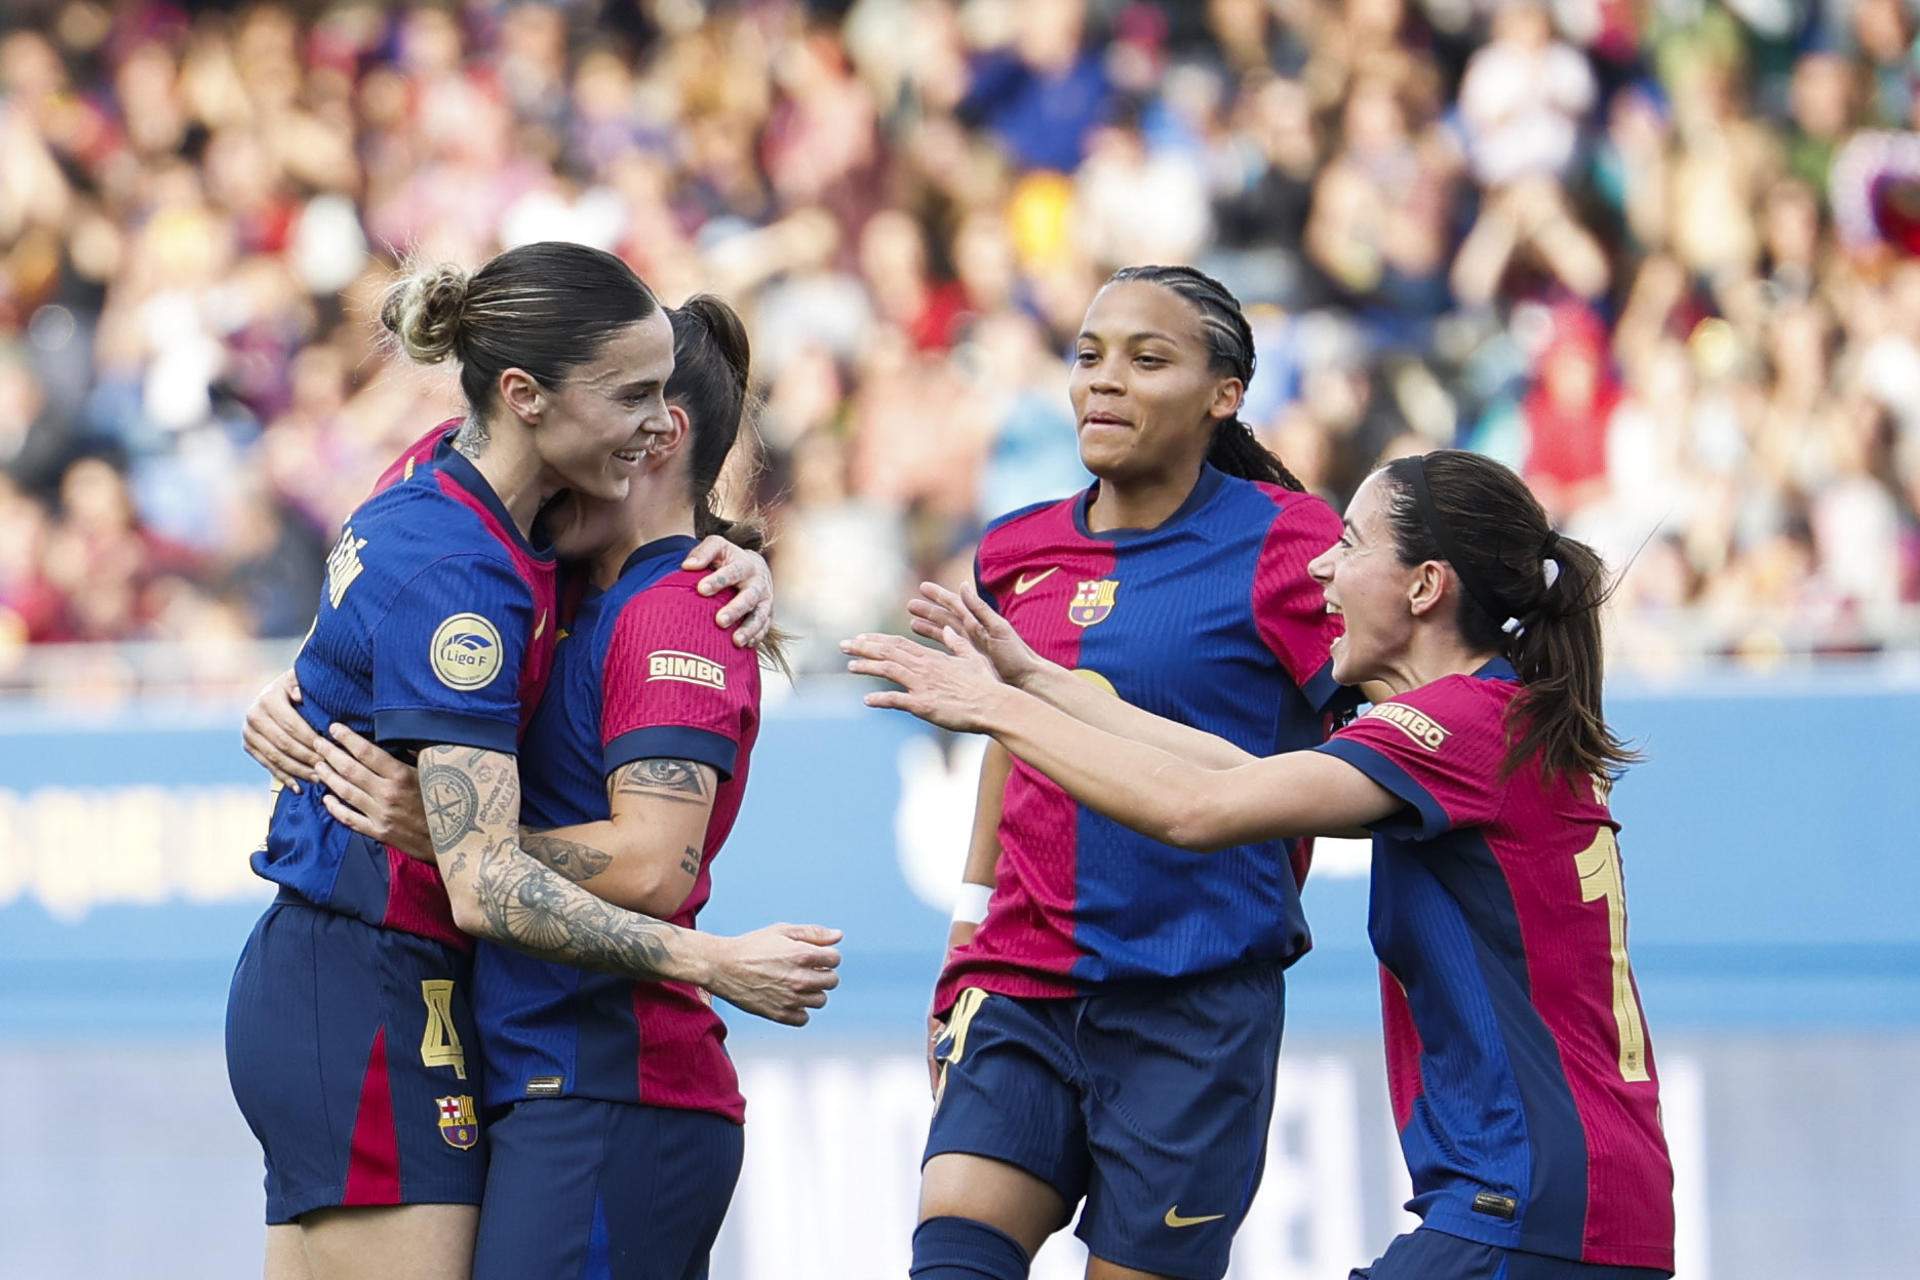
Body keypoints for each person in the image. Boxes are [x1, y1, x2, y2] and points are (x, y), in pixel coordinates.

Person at [845, 448, 1676, 1280]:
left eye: (1350, 544)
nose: (1323, 564)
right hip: (1564, 1206)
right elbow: (1239, 774)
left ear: (1425, 586)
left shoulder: (1461, 725)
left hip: (1527, 1212)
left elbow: (1194, 810)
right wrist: (1042, 684)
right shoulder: (1486, 718)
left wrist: (994, 708)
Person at [226, 243, 841, 1280]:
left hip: (404, 995)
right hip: (371, 979)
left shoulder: (462, 488)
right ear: (526, 397)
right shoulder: (472, 568)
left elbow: (368, 637)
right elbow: (484, 875)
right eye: (631, 397)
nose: (657, 427)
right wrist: (715, 960)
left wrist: (732, 552)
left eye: (664, 400)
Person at [893, 264, 1351, 1280]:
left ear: (1223, 394)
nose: (1106, 381)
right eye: (1090, 355)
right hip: (1022, 981)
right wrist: (967, 931)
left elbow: (1373, 744)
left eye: (1148, 360)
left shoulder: (1293, 543)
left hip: (1194, 999)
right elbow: (1011, 737)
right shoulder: (1017, 549)